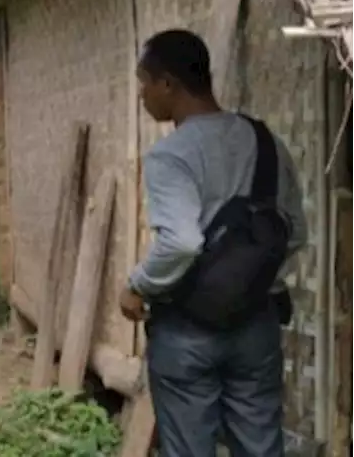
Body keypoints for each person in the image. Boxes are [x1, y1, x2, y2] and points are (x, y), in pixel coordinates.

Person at [120, 29, 307, 457]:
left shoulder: (172, 155)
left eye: (144, 82)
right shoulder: (265, 142)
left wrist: (137, 286)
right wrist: (248, 281)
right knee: (261, 448)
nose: (142, 95)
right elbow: (294, 231)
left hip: (186, 330)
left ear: (167, 83)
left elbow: (182, 243)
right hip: (257, 325)